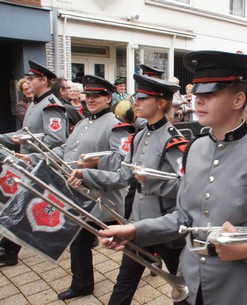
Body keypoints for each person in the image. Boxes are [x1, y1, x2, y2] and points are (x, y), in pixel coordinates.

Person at [95, 50, 247, 305]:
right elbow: (184, 217)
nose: (198, 101)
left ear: (238, 99)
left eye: (210, 94)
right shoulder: (195, 148)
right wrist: (135, 230)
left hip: (244, 292)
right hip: (192, 284)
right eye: (198, 93)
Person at [69, 74, 186, 305]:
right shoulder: (138, 136)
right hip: (139, 223)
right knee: (124, 282)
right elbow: (122, 177)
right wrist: (86, 174)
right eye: (136, 98)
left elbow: (188, 186)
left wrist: (153, 181)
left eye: (142, 98)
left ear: (161, 102)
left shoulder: (174, 140)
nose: (136, 103)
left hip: (167, 225)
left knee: (183, 286)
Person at [23, 74, 134, 300]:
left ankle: (152, 256)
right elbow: (66, 151)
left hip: (105, 198)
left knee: (131, 240)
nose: (90, 100)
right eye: (88, 96)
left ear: (108, 98)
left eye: (97, 96)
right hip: (81, 196)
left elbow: (120, 164)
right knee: (80, 241)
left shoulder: (116, 126)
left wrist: (88, 172)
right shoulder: (83, 122)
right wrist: (36, 159)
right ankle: (82, 284)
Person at [0, 60, 68, 266]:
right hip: (29, 163)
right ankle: (9, 247)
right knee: (21, 204)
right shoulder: (35, 103)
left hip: (42, 164)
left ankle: (10, 249)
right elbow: (24, 133)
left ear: (43, 80)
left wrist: (27, 140)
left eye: (31, 79)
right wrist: (3, 137)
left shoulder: (51, 106)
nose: (27, 83)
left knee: (25, 205)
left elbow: (57, 139)